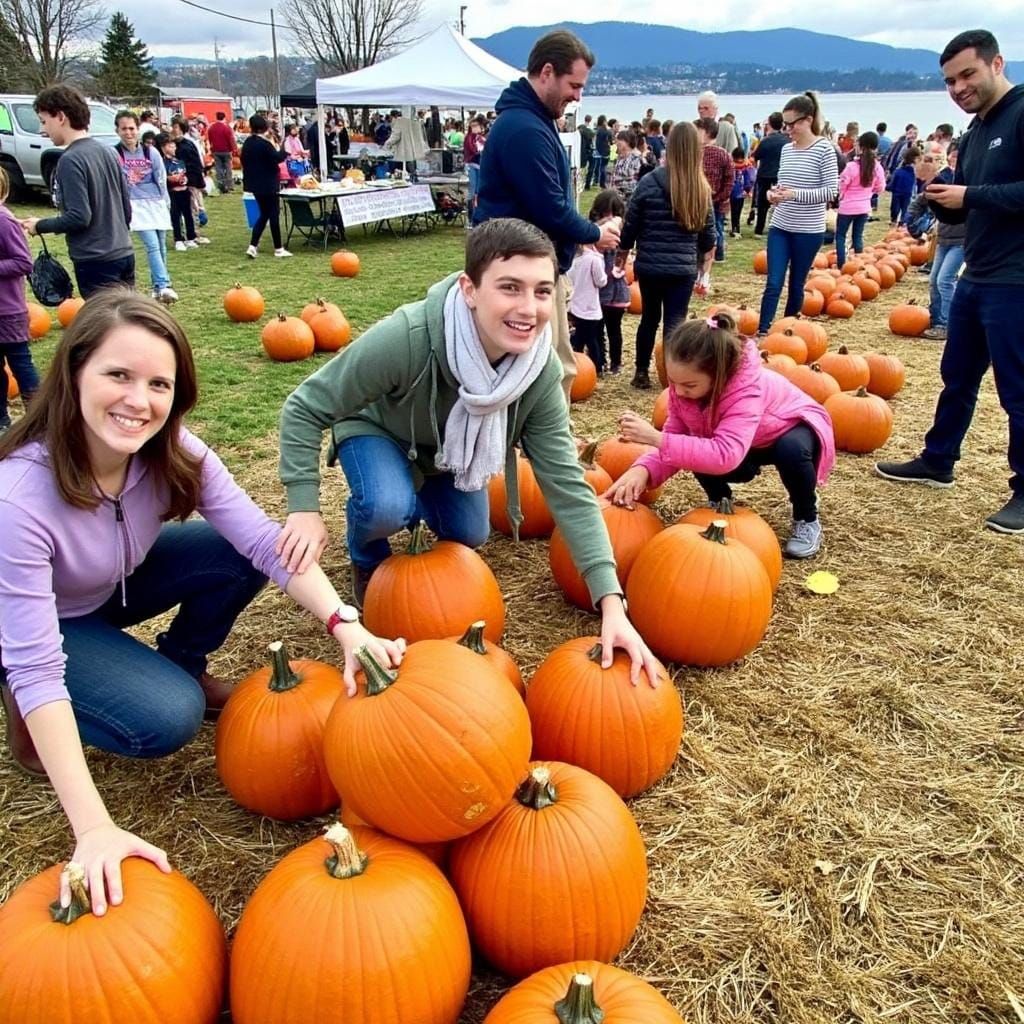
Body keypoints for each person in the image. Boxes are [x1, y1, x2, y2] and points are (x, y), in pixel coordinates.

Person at [0, 290, 405, 914]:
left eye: (159, 383)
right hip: (45, 620)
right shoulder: (20, 499)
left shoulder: (173, 451)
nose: (140, 400)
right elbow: (37, 664)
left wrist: (345, 625)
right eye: (118, 375)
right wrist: (94, 829)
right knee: (167, 717)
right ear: (74, 369)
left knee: (235, 551)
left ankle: (181, 657)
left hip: (110, 582)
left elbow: (269, 546)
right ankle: (31, 719)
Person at [276, 218, 659, 686]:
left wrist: (611, 602)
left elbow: (567, 488)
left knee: (471, 532)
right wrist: (302, 506)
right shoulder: (409, 336)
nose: (529, 308)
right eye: (510, 288)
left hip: (449, 456)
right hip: (379, 430)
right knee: (385, 505)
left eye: (542, 291)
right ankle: (367, 551)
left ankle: (412, 501)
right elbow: (304, 406)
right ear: (470, 289)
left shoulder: (535, 375)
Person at [876, 29, 1024, 534]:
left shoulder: (1022, 114)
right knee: (957, 375)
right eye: (949, 81)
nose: (958, 87)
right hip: (977, 272)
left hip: (1016, 278)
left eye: (967, 74)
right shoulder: (976, 131)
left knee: (1017, 389)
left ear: (996, 64)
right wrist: (944, 199)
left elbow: (997, 193)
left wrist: (973, 195)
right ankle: (938, 459)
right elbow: (978, 195)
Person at [605, 310, 835, 558]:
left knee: (791, 451)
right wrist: (642, 470)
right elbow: (676, 439)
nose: (678, 391)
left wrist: (655, 438)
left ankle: (806, 516)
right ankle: (720, 503)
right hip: (744, 443)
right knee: (694, 446)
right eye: (673, 382)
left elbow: (724, 455)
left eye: (689, 385)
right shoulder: (683, 392)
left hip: (788, 429)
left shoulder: (746, 392)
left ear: (719, 375)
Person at [473, 30, 621, 405]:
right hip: (521, 267)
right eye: (574, 85)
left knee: (548, 365)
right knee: (550, 370)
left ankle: (537, 447)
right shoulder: (524, 129)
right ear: (547, 72)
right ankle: (545, 452)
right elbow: (548, 207)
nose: (577, 96)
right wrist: (593, 233)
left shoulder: (532, 121)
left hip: (530, 264)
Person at [617, 122, 716, 390]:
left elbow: (631, 224)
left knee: (649, 318)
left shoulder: (649, 182)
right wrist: (704, 255)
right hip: (682, 268)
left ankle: (640, 372)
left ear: (669, 148)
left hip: (650, 265)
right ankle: (673, 377)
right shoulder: (700, 188)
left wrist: (623, 251)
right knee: (675, 322)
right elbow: (709, 235)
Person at [19, 86, 134, 298]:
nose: (41, 130)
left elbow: (79, 217)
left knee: (104, 327)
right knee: (125, 322)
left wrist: (39, 225)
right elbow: (126, 210)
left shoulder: (70, 160)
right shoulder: (108, 152)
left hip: (96, 260)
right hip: (123, 253)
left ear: (61, 117)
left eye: (44, 121)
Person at [756, 92, 839, 336]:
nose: (788, 129)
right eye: (785, 124)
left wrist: (794, 195)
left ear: (807, 120)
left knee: (796, 284)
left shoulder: (824, 149)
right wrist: (774, 195)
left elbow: (830, 192)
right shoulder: (786, 150)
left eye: (792, 124)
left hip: (808, 230)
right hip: (781, 225)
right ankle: (763, 331)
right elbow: (783, 184)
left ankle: (787, 330)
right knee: (773, 281)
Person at [114, 111, 177, 304]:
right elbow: (117, 181)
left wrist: (165, 201)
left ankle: (158, 289)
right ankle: (163, 283)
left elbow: (160, 177)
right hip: (135, 205)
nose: (128, 133)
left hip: (156, 203)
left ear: (138, 129)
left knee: (160, 246)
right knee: (151, 245)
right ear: (117, 130)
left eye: (132, 128)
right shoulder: (115, 154)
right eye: (124, 129)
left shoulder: (151, 152)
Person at [908, 141, 965, 341]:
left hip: (962, 240)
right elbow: (920, 202)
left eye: (958, 157)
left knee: (945, 280)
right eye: (953, 156)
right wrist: (916, 226)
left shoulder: (965, 179)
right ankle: (937, 321)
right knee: (934, 280)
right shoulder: (941, 179)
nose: (955, 160)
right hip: (944, 238)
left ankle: (950, 324)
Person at [0, 167, 38, 432]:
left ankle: (38, 418)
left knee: (21, 364)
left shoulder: (4, 221)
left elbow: (23, 261)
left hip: (7, 310)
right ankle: (2, 419)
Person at [241, 114, 291, 260]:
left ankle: (253, 246)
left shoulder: (248, 143)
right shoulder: (264, 144)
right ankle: (278, 248)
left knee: (264, 214)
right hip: (269, 184)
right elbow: (277, 158)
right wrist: (284, 150)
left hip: (255, 185)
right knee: (273, 214)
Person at [589, 189, 628, 375]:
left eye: (614, 213)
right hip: (598, 291)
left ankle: (616, 362)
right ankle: (599, 362)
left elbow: (623, 259)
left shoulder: (622, 236)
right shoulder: (592, 236)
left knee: (614, 329)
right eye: (605, 213)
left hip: (617, 291)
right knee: (597, 329)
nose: (610, 218)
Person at [835, 130, 885, 267]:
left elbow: (842, 185)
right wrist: (869, 192)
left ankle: (841, 265)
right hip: (864, 207)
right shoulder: (877, 167)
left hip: (847, 207)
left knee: (840, 236)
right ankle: (858, 264)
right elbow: (880, 187)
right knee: (857, 236)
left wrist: (841, 197)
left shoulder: (851, 167)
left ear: (860, 147)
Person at [567, 237, 607, 373]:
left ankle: (576, 365)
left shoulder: (573, 260)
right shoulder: (594, 260)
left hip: (575, 304)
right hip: (589, 306)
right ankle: (596, 367)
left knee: (580, 336)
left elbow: (569, 279)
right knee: (590, 339)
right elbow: (601, 281)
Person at [695, 118, 733, 262]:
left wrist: (722, 196)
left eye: (697, 131)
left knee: (715, 227)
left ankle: (717, 253)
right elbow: (730, 178)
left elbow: (729, 177)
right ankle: (709, 253)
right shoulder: (695, 152)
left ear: (707, 133)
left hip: (714, 199)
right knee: (712, 226)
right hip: (702, 198)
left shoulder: (720, 154)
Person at [169, 117, 211, 243]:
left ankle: (194, 234)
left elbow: (196, 164)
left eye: (176, 127)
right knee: (185, 210)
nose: (173, 130)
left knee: (193, 208)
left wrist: (199, 182)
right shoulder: (173, 145)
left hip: (191, 181)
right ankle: (190, 234)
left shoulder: (188, 144)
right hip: (179, 182)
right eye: (173, 127)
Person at [156, 132, 198, 254]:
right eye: (170, 146)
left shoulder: (179, 161)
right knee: (175, 216)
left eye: (174, 146)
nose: (173, 148)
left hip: (184, 191)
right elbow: (162, 178)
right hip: (173, 192)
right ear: (164, 147)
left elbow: (185, 173)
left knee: (188, 214)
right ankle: (178, 239)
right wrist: (170, 179)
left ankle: (191, 237)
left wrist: (184, 179)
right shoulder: (162, 163)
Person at [752, 112, 786, 235]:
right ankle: (779, 226)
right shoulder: (787, 141)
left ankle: (759, 228)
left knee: (762, 204)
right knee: (781, 202)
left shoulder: (765, 141)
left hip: (765, 174)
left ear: (769, 124)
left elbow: (756, 156)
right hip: (780, 174)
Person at [887, 146, 919, 226]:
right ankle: (903, 221)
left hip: (897, 192)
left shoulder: (899, 170)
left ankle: (894, 220)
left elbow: (893, 182)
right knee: (905, 207)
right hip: (908, 192)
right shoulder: (915, 171)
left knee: (895, 207)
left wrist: (888, 187)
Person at [207, 111, 237, 194]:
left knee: (218, 168)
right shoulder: (226, 128)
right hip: (226, 150)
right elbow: (230, 139)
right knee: (228, 168)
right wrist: (234, 149)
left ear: (216, 117)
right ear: (224, 117)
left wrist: (212, 148)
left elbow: (210, 139)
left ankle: (221, 184)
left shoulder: (211, 127)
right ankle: (229, 185)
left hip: (216, 150)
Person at [729, 147, 755, 238]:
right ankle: (737, 228)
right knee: (738, 211)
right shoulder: (747, 165)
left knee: (733, 211)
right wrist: (748, 190)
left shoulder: (730, 165)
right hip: (741, 192)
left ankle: (734, 228)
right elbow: (751, 179)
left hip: (732, 192)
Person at [611, 130, 642, 201]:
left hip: (629, 198)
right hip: (617, 197)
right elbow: (614, 176)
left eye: (619, 140)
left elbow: (634, 180)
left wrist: (617, 189)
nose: (616, 142)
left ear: (627, 141)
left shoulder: (636, 157)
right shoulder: (620, 157)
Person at [592, 114, 612, 189]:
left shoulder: (597, 130)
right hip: (605, 150)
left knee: (597, 167)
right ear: (604, 121)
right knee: (603, 167)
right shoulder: (606, 131)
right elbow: (610, 141)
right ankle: (602, 182)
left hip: (597, 150)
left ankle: (596, 180)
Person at [578, 114, 596, 189]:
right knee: (591, 168)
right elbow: (593, 143)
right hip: (589, 151)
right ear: (590, 120)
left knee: (581, 168)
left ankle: (580, 183)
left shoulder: (579, 128)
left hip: (581, 150)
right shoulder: (591, 132)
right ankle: (587, 184)